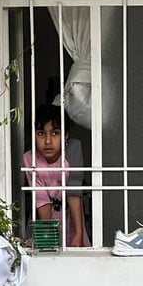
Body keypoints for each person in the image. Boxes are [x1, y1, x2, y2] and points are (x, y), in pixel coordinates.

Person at [22, 105, 89, 248]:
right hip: (44, 220)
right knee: (48, 251)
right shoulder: (30, 159)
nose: (47, 141)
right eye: (41, 133)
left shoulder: (72, 151)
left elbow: (73, 191)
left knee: (76, 249)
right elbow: (41, 200)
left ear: (66, 135)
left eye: (55, 133)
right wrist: (49, 236)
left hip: (72, 216)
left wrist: (78, 233)